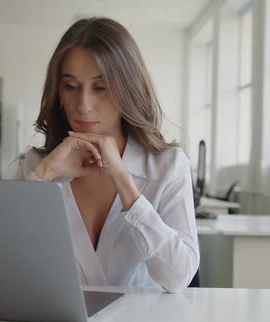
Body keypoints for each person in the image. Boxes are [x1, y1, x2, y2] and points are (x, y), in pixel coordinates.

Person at [14, 17, 198, 293]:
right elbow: (7, 264)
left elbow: (178, 277)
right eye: (70, 87)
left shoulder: (168, 166)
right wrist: (46, 174)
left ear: (128, 89)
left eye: (101, 88)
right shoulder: (37, 166)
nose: (83, 105)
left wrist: (124, 183)